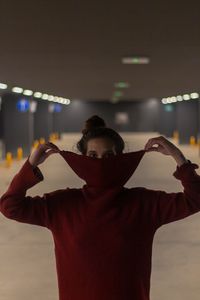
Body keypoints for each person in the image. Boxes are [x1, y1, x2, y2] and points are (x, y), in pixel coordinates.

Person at [0, 115, 200, 300]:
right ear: (83, 158)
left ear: (120, 158)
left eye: (109, 155)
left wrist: (178, 157)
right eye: (93, 156)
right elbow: (10, 206)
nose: (101, 164)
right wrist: (31, 165)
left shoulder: (143, 204)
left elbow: (195, 199)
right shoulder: (62, 205)